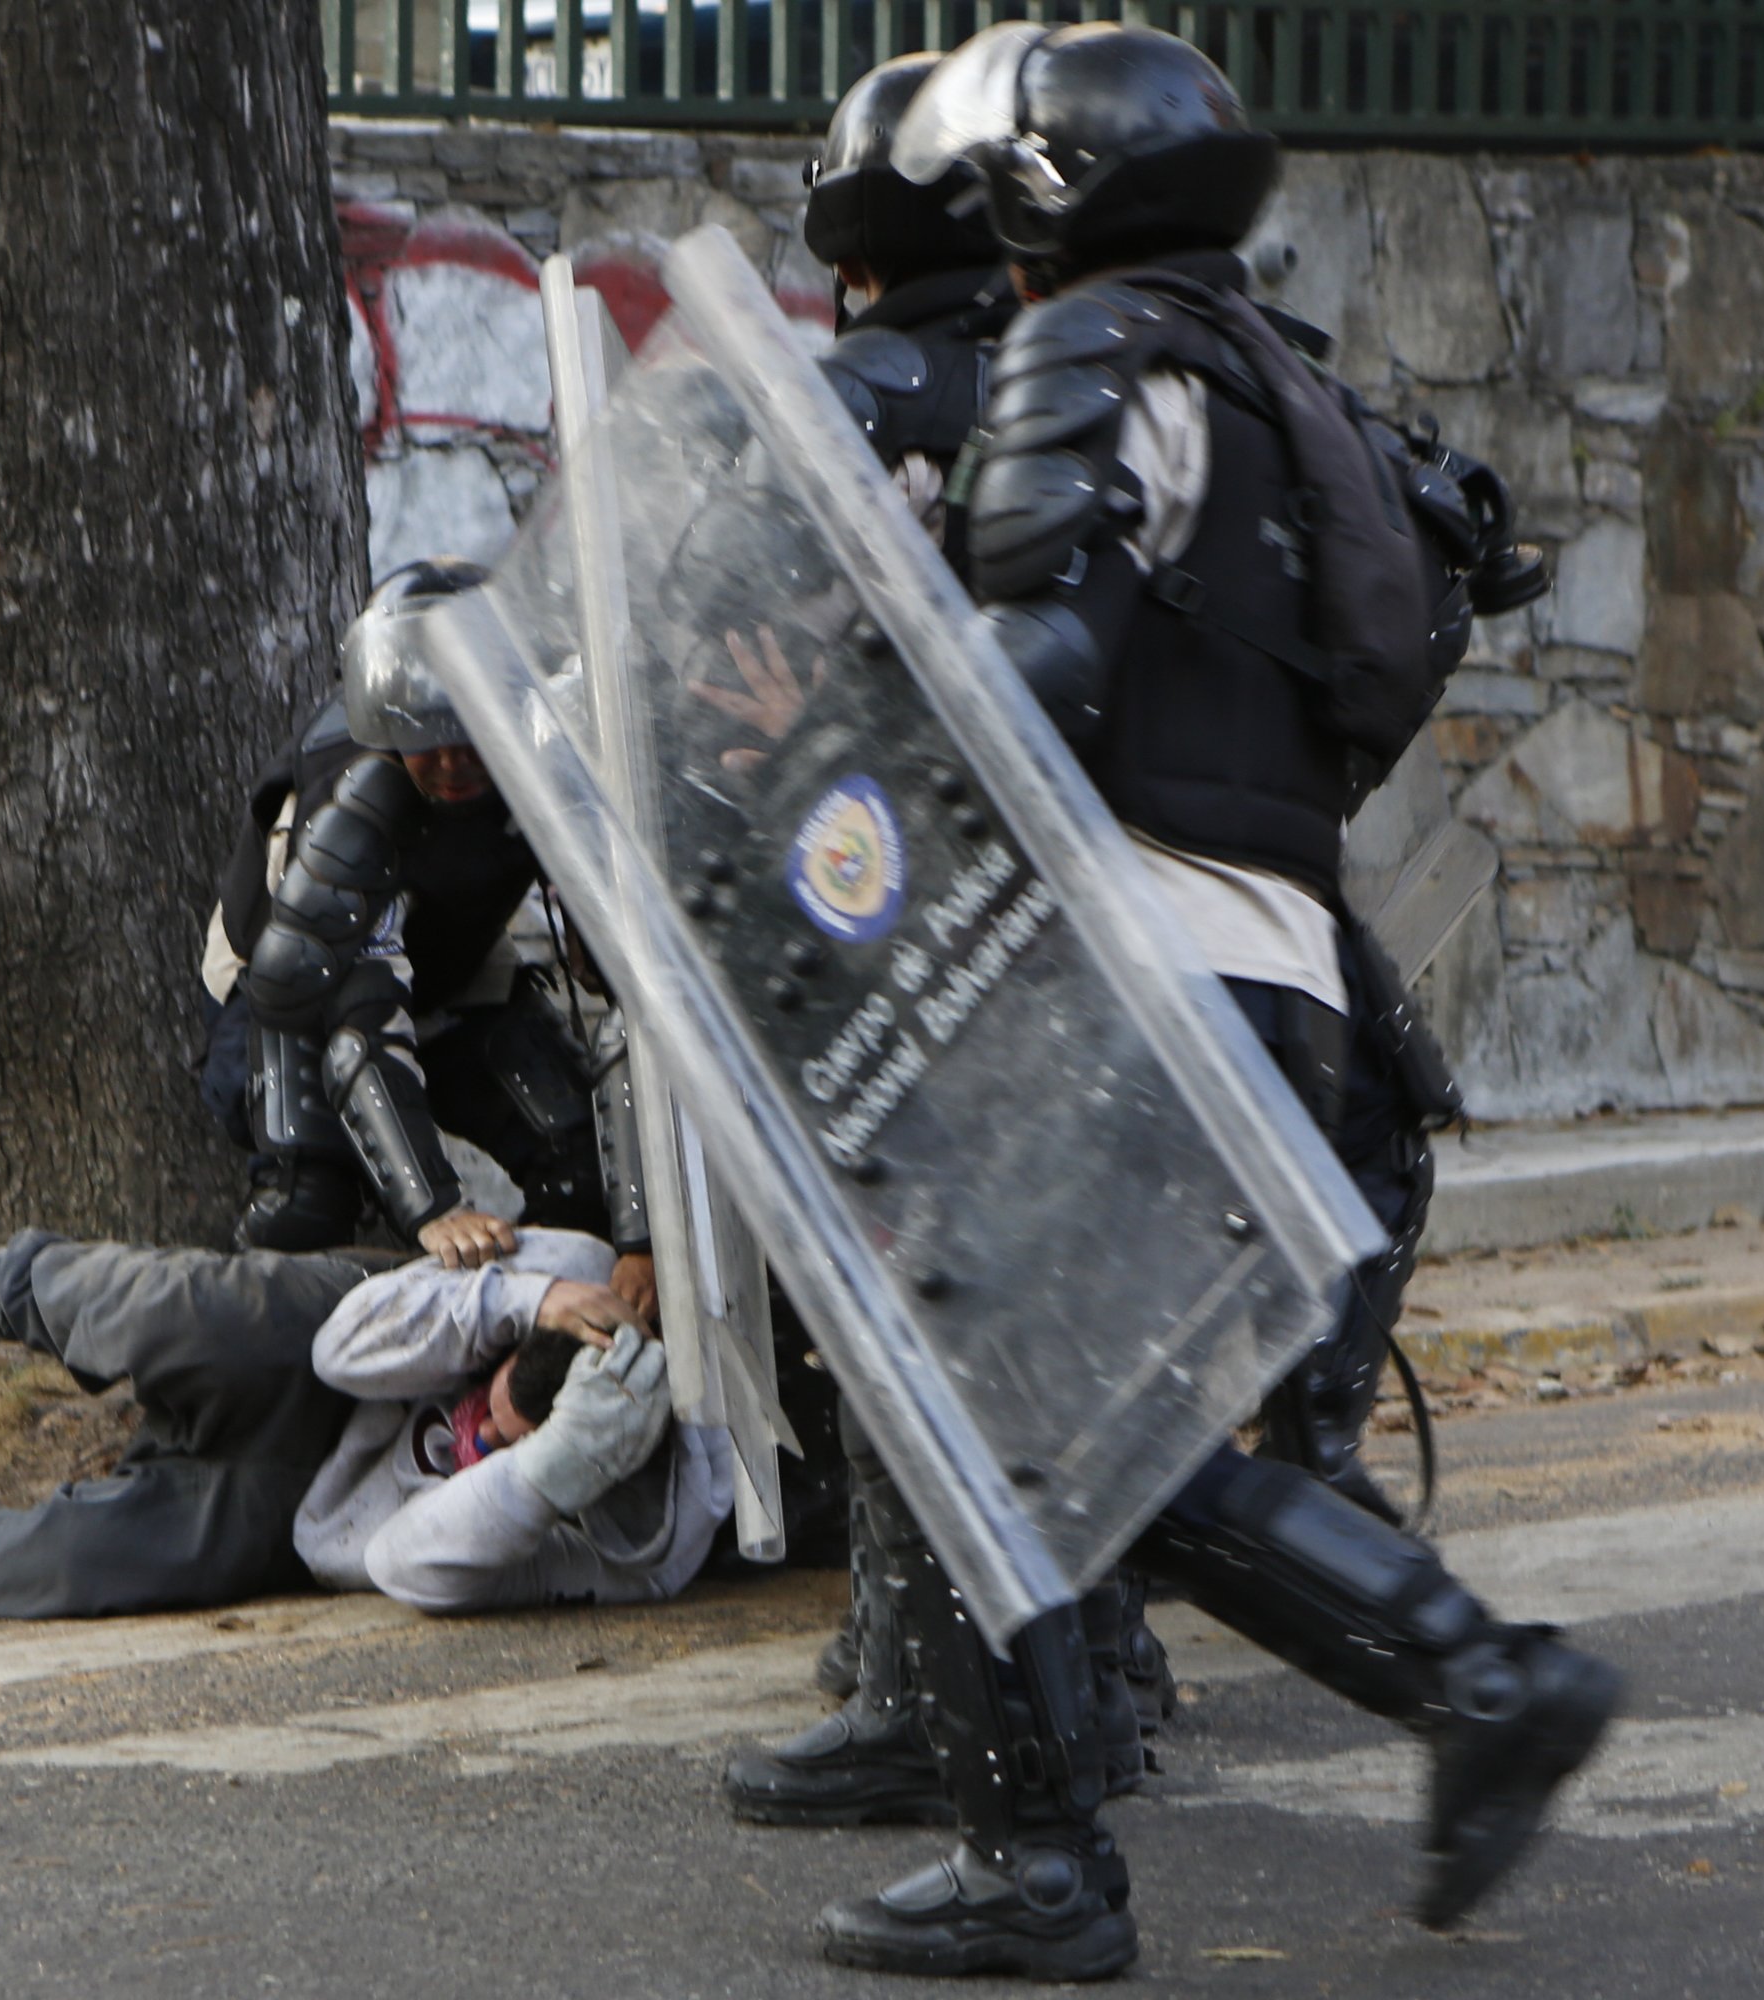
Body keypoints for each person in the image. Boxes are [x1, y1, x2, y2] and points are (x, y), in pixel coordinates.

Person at [796, 23, 1613, 1980]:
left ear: (1044, 193)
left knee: (1034, 1424)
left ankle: (1424, 1699)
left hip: (1133, 969)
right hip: (1276, 963)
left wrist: (855, 757)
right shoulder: (1272, 379)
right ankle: (1066, 1836)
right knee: (1058, 1428)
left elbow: (1042, 655)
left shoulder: (1091, 351)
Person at [717, 51, 1173, 1839]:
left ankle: (931, 1696)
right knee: (1067, 1299)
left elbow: (727, 616)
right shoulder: (1088, 359)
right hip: (1122, 888)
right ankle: (1104, 1668)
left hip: (913, 897)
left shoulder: (864, 384)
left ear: (851, 230)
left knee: (903, 1287)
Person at [0, 1229, 728, 1620]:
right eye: (484, 1408)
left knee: (76, 1564)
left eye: (494, 1449)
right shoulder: (582, 1277)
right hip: (341, 1348)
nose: (473, 1439)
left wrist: (546, 1467)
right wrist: (527, 1295)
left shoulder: (644, 1540)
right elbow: (347, 1347)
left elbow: (405, 1559)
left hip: (312, 1513)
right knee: (192, 1313)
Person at [199, 561, 654, 1316]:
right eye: (427, 740)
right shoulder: (350, 795)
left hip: (453, 973)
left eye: (470, 735)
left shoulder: (547, 754)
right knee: (305, 1204)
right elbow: (356, 1017)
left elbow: (634, 981)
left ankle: (546, 1351)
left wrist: (638, 1236)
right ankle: (273, 1369)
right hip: (290, 995)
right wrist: (433, 1206)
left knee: (578, 1164)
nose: (452, 764)